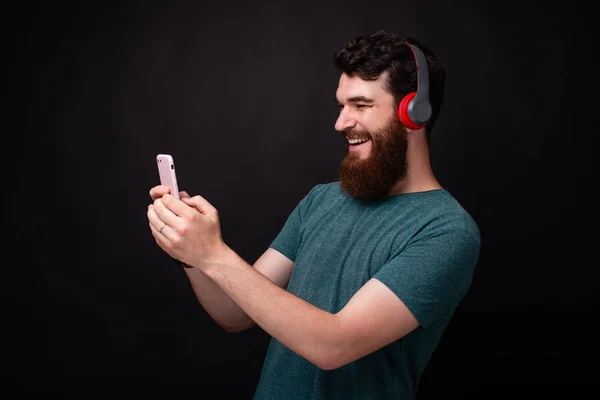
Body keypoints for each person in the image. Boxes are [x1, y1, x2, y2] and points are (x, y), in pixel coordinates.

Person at [146, 30, 481, 400]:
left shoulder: (446, 230)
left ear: (414, 112)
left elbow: (334, 345)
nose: (341, 123)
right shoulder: (322, 201)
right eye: (341, 106)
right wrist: (192, 255)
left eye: (361, 105)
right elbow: (235, 314)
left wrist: (215, 253)